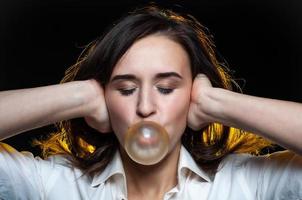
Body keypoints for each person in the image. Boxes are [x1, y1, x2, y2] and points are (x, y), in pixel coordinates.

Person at [0, 5, 301, 200]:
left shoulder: (248, 185)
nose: (145, 107)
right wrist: (79, 95)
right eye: (126, 89)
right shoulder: (51, 185)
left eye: (167, 88)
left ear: (191, 95)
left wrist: (217, 103)